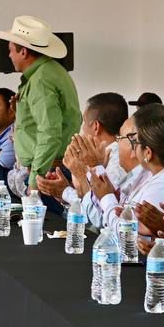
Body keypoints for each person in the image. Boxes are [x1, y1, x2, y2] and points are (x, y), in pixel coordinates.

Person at [0, 16, 80, 190]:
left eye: (11, 50)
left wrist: (35, 180)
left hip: (47, 172)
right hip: (49, 168)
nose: (9, 55)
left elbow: (49, 132)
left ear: (23, 52)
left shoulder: (41, 81)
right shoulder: (50, 72)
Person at [89, 105, 164, 238]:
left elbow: (127, 236)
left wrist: (107, 198)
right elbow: (128, 216)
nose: (133, 150)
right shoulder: (152, 174)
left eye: (135, 143)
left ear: (148, 153)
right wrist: (115, 198)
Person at [35, 93, 130, 228]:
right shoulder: (102, 156)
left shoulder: (117, 161)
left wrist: (67, 190)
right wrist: (65, 190)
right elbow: (89, 201)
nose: (82, 129)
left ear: (96, 126)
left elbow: (99, 215)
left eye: (84, 122)